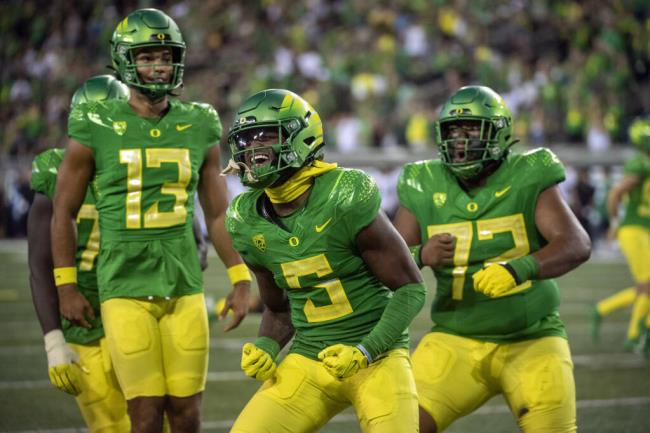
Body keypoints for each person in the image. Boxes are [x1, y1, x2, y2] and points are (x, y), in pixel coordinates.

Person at [50, 9, 251, 433]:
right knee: (143, 415)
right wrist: (66, 286)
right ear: (126, 60)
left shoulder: (199, 121)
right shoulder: (96, 121)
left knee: (187, 414)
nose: (159, 65)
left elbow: (216, 212)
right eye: (147, 56)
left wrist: (240, 276)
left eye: (166, 55)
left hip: (184, 285)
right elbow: (63, 211)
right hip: (124, 285)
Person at [221, 88, 426, 433]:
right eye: (247, 140)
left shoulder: (344, 195)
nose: (253, 151)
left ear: (302, 138)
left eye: (267, 138)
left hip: (378, 356)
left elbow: (410, 289)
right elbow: (278, 308)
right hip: (308, 357)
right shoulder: (245, 218)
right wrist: (268, 345)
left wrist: (365, 350)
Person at [393, 85, 591, 433]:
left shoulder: (529, 172)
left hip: (532, 339)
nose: (460, 139)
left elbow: (575, 243)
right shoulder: (422, 181)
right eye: (452, 130)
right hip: (455, 338)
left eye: (470, 128)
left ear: (498, 131)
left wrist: (520, 268)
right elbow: (388, 262)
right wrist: (421, 253)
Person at [29, 75, 131, 433]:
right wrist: (53, 340)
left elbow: (194, 238)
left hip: (137, 311)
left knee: (159, 422)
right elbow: (39, 264)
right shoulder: (55, 170)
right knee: (113, 427)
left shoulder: (140, 165)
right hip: (84, 321)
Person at [593, 117, 650, 353]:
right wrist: (615, 221)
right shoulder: (640, 163)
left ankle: (603, 310)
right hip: (634, 229)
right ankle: (636, 334)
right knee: (647, 285)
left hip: (642, 229)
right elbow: (616, 193)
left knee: (645, 287)